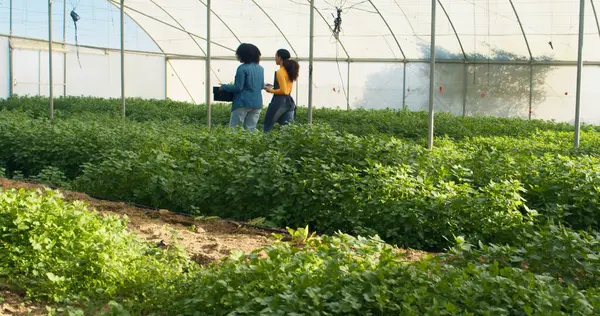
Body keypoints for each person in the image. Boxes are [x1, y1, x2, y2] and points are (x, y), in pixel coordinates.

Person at [220, 43, 265, 131]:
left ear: (243, 55)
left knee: (235, 128)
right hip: (257, 103)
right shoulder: (260, 68)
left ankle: (234, 145)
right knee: (251, 128)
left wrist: (224, 87)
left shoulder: (242, 68)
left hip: (242, 102)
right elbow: (261, 86)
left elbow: (238, 87)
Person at [263, 49, 299, 133]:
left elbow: (283, 91)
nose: (275, 58)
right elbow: (287, 90)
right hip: (289, 102)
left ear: (279, 57)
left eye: (276, 56)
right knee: (288, 130)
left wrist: (270, 90)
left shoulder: (280, 72)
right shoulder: (290, 70)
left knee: (267, 127)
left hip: (279, 101)